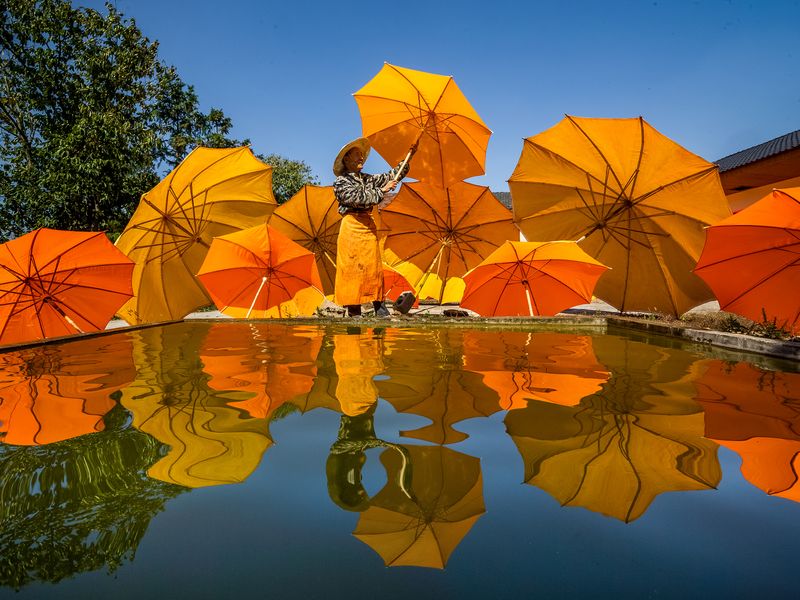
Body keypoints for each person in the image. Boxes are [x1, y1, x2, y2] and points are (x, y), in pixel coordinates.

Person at [332, 137, 416, 318]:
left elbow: (392, 175)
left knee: (374, 267)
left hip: (368, 226)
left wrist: (408, 158)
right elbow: (355, 198)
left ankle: (380, 307)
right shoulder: (341, 182)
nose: (361, 158)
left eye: (362, 155)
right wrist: (382, 191)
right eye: (357, 155)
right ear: (346, 160)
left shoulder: (368, 179)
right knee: (352, 268)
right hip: (351, 227)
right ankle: (354, 309)